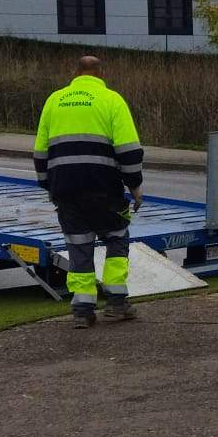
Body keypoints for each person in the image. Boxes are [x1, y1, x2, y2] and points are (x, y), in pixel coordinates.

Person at [33, 55, 144, 326]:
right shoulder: (111, 100)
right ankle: (117, 303)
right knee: (116, 237)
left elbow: (40, 152)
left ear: (76, 72)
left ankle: (82, 311)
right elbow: (129, 151)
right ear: (100, 74)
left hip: (66, 189)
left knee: (78, 246)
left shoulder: (55, 100)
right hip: (104, 187)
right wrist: (135, 187)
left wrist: (48, 185)